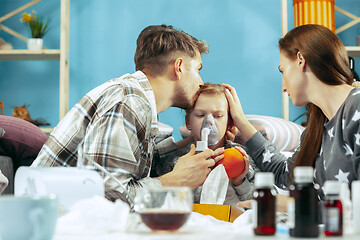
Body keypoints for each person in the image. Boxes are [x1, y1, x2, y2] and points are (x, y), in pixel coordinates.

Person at [31, 25, 224, 203]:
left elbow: (129, 161)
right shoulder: (128, 101)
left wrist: (190, 141)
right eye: (198, 69)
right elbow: (108, 198)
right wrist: (175, 181)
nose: (201, 82)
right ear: (179, 67)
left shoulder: (135, 99)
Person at [223, 24, 360, 202]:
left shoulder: (355, 108)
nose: (283, 87)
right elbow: (284, 173)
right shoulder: (317, 129)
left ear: (300, 60)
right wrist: (241, 122)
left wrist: (295, 206)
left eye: (282, 70)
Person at [152, 83, 259, 207]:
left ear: (229, 122)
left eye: (218, 116)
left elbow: (258, 205)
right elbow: (164, 204)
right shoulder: (176, 162)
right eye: (201, 115)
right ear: (188, 122)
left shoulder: (242, 157)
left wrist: (240, 182)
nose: (209, 122)